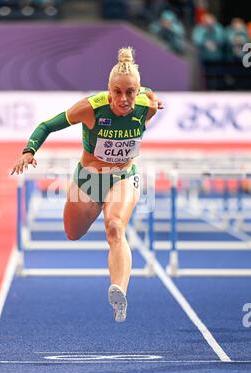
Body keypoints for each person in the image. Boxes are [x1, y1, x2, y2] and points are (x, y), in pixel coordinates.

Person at [11, 47, 162, 322]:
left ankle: (119, 291)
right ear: (108, 89)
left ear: (137, 91)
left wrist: (152, 97)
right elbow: (47, 125)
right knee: (72, 232)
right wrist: (29, 151)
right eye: (117, 92)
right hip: (89, 178)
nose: (124, 99)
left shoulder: (146, 103)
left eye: (131, 92)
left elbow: (150, 94)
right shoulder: (90, 108)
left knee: (115, 227)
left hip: (124, 176)